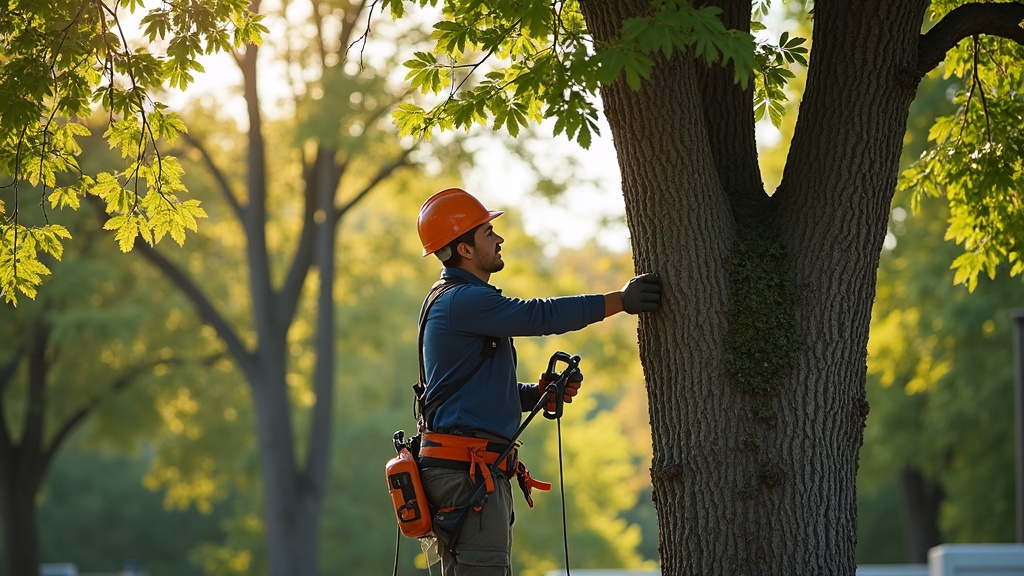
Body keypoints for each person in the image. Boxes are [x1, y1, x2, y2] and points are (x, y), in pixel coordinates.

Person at [414, 187, 661, 575]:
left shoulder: (452, 300)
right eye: (487, 232)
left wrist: (536, 394)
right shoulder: (463, 301)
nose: (499, 238)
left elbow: (466, 395)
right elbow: (539, 316)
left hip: (462, 470)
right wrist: (620, 301)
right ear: (464, 249)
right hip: (467, 473)